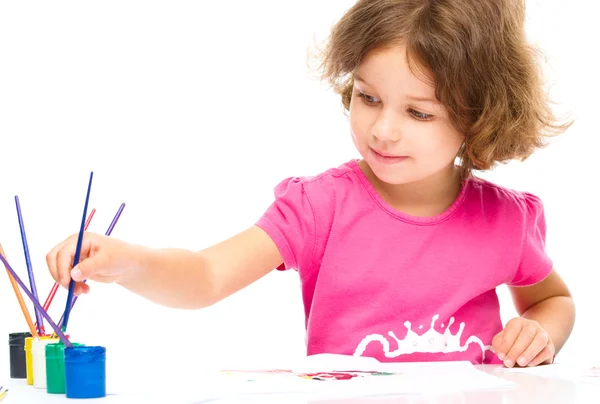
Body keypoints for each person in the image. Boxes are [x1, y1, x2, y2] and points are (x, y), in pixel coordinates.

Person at [46, 0, 575, 367]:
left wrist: (542, 332)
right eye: (368, 98)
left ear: (479, 116)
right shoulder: (320, 207)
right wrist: (129, 261)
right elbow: (207, 276)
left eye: (417, 112)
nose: (383, 130)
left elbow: (553, 302)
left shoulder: (504, 220)